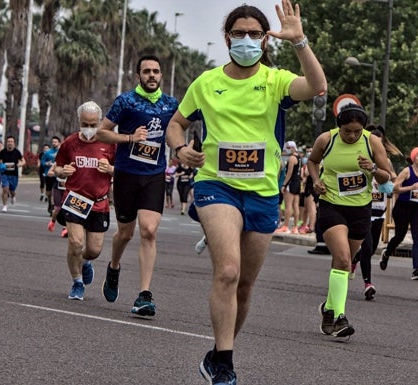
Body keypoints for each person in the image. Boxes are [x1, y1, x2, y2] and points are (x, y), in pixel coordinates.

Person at [166, 1, 326, 383]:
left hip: (262, 192)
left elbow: (318, 86)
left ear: (266, 40)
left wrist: (300, 40)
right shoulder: (206, 83)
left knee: (245, 284)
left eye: (256, 34)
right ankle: (225, 363)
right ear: (227, 38)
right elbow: (176, 123)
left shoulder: (275, 81)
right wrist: (180, 148)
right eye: (239, 33)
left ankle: (218, 353)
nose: (247, 40)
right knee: (228, 271)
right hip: (215, 185)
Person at [95, 54, 179, 317]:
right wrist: (130, 137)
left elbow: (179, 127)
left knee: (149, 231)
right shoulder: (126, 101)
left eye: (156, 71)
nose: (152, 75)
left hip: (154, 174)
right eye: (147, 71)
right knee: (125, 233)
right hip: (126, 174)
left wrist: (181, 146)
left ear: (161, 75)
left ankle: (144, 295)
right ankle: (114, 267)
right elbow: (101, 132)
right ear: (138, 75)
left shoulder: (170, 104)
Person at [307, 103, 391, 338]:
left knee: (342, 262)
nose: (352, 135)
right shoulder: (326, 139)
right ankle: (339, 317)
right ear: (339, 127)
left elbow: (387, 176)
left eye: (356, 131)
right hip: (332, 205)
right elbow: (312, 162)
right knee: (343, 260)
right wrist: (316, 180)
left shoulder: (371, 142)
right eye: (347, 131)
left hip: (360, 209)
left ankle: (328, 307)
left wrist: (372, 167)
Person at [53, 101, 116, 300]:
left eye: (93, 124)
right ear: (79, 121)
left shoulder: (110, 143)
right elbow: (57, 167)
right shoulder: (70, 143)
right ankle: (77, 282)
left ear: (100, 122)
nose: (89, 128)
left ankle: (85, 262)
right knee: (75, 242)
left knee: (94, 250)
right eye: (85, 124)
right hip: (75, 200)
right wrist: (63, 171)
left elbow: (124, 170)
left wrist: (111, 169)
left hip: (99, 201)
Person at [349, 125, 402, 300]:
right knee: (368, 246)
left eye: (380, 143)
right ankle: (368, 284)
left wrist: (387, 177)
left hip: (379, 210)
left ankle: (354, 260)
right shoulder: (360, 159)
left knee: (371, 250)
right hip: (364, 209)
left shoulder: (386, 162)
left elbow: (391, 185)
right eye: (374, 142)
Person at [379, 146, 418, 279]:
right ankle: (387, 253)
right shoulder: (407, 171)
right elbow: (394, 188)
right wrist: (410, 187)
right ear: (413, 159)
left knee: (417, 238)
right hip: (403, 207)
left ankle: (416, 270)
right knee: (399, 236)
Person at [276, 141, 301, 234]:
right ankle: (295, 227)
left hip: (291, 183)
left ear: (291, 147)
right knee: (296, 205)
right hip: (297, 182)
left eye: (287, 147)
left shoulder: (292, 158)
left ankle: (285, 226)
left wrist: (284, 184)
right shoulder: (299, 157)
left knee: (288, 205)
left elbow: (289, 173)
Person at [0, 136, 26, 212]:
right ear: (7, 143)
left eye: (11, 142)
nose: (10, 143)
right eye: (9, 141)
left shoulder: (17, 152)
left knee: (12, 190)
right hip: (5, 174)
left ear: (14, 143)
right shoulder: (3, 152)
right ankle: (4, 205)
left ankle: (13, 197)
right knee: (5, 189)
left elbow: (23, 161)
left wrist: (20, 164)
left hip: (14, 175)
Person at [42, 136, 61, 215]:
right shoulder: (47, 152)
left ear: (59, 143)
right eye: (53, 142)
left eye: (55, 142)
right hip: (49, 175)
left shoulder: (61, 152)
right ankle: (50, 204)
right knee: (49, 193)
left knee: (55, 192)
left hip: (57, 176)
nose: (54, 143)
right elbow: (42, 162)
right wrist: (46, 163)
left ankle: (54, 206)